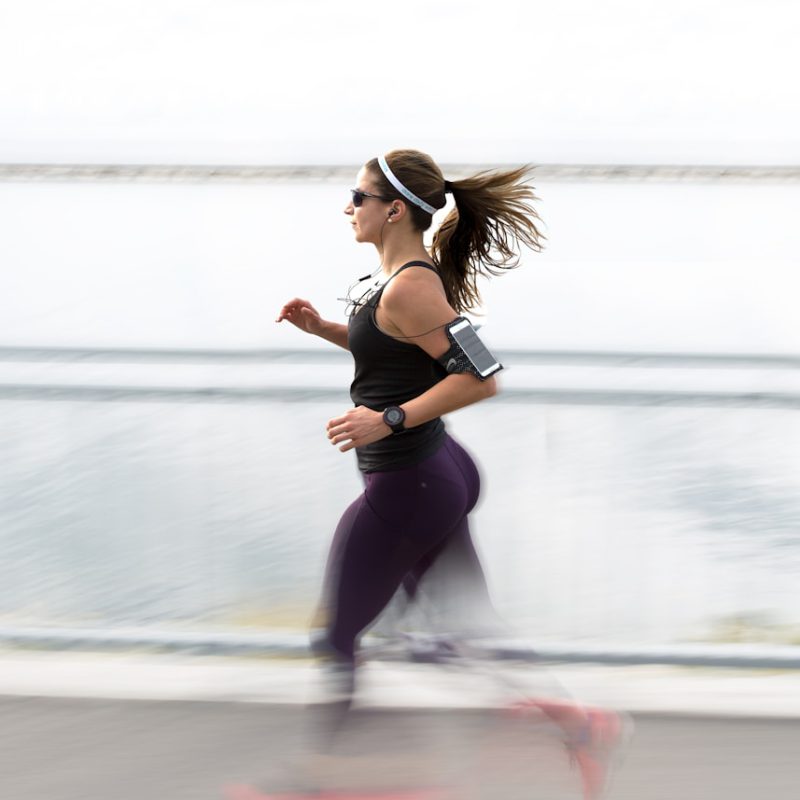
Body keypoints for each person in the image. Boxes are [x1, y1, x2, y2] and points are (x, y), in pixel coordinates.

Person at [244, 149, 623, 799]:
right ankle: (579, 726)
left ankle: (317, 783)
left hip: (412, 482)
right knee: (463, 630)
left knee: (338, 634)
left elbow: (482, 378)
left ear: (393, 209)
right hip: (435, 473)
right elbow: (397, 344)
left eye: (357, 197)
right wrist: (324, 329)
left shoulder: (412, 283)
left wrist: (386, 419)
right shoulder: (396, 279)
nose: (348, 208)